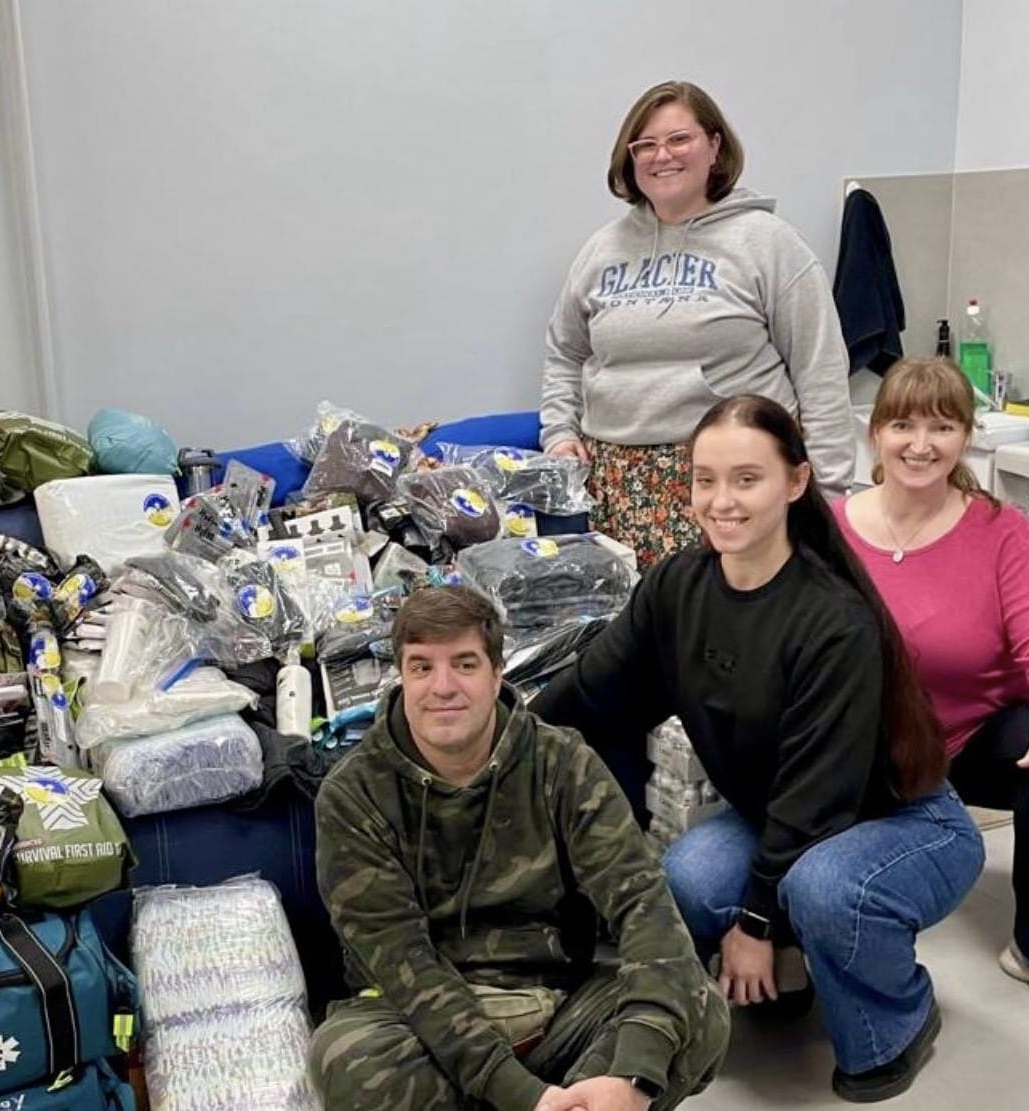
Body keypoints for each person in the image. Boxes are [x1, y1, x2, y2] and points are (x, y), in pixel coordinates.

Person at [537, 395, 982, 1102]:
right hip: (784, 815)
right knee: (685, 874)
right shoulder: (678, 585)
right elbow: (593, 693)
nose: (721, 501)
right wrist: (497, 739)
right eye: (705, 479)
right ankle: (794, 971)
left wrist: (753, 921)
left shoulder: (833, 620)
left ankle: (901, 1019)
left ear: (796, 482)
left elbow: (818, 795)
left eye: (747, 478)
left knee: (823, 889)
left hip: (902, 821)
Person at [308, 585, 729, 1111]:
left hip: (557, 1006)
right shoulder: (354, 794)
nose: (442, 687)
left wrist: (632, 1074)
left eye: (464, 664)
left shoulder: (563, 764)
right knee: (348, 1061)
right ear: (401, 676)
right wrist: (521, 1094)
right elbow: (402, 963)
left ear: (496, 674)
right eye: (421, 667)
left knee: (699, 1009)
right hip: (423, 1023)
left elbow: (642, 905)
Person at [835, 355, 1029, 1022]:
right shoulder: (832, 528)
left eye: (942, 426)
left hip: (971, 740)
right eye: (902, 423)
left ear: (966, 437)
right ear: (875, 433)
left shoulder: (1001, 531)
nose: (920, 443)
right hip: (868, 744)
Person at [538, 80, 855, 569]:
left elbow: (821, 371)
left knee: (733, 634)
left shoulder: (768, 243)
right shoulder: (601, 250)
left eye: (679, 139)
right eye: (645, 144)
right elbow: (565, 352)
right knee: (642, 637)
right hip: (617, 489)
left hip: (734, 487)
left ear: (714, 145)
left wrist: (828, 501)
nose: (662, 155)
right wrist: (559, 432)